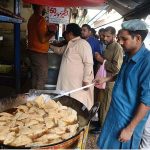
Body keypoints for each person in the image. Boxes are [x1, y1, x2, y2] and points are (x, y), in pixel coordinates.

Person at [96, 19, 150, 149]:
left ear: (137, 38)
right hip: (115, 114)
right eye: (119, 38)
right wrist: (105, 79)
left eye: (124, 39)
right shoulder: (128, 56)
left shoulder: (147, 62)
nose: (120, 42)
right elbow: (123, 76)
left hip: (127, 121)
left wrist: (130, 129)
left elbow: (147, 101)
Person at [49, 23, 94, 110]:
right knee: (66, 102)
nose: (65, 35)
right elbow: (59, 50)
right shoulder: (70, 44)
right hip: (67, 83)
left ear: (70, 33)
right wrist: (49, 46)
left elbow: (88, 63)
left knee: (76, 102)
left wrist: (86, 79)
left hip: (77, 83)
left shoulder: (83, 44)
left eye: (66, 33)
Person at [93, 26, 123, 133]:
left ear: (114, 36)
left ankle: (102, 127)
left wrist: (101, 60)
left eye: (108, 36)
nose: (104, 38)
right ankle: (100, 122)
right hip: (102, 80)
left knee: (105, 104)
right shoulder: (107, 46)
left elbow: (116, 68)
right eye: (103, 36)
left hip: (109, 82)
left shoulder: (117, 48)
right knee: (100, 102)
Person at [27, 4, 57, 89]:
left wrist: (48, 31)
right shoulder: (40, 19)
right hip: (39, 53)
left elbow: (38, 35)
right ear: (40, 7)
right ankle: (37, 100)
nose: (45, 9)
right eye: (44, 7)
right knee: (42, 77)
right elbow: (43, 40)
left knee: (35, 76)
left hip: (32, 51)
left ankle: (32, 97)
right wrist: (53, 33)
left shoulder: (32, 18)